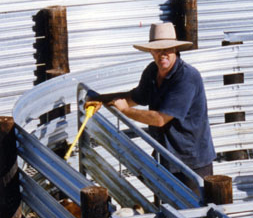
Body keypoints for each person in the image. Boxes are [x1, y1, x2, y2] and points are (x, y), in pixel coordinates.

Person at [91, 22, 215, 197]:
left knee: (194, 213)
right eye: (157, 49)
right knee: (167, 207)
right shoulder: (152, 71)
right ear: (151, 51)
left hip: (191, 159)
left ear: (175, 50)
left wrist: (124, 111)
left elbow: (160, 119)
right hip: (164, 155)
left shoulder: (187, 78)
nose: (161, 54)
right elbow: (135, 97)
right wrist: (101, 100)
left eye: (167, 49)